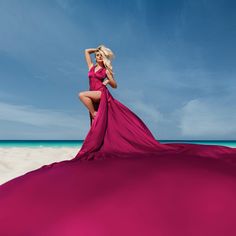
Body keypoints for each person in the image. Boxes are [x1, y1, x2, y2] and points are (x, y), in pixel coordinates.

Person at [79, 45, 117, 126]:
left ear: (104, 57)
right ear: (95, 57)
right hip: (92, 95)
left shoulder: (106, 70)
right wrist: (98, 49)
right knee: (93, 125)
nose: (99, 57)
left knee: (81, 95)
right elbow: (86, 51)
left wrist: (108, 81)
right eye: (97, 55)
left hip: (100, 93)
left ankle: (93, 112)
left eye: (101, 55)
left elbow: (115, 85)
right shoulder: (91, 67)